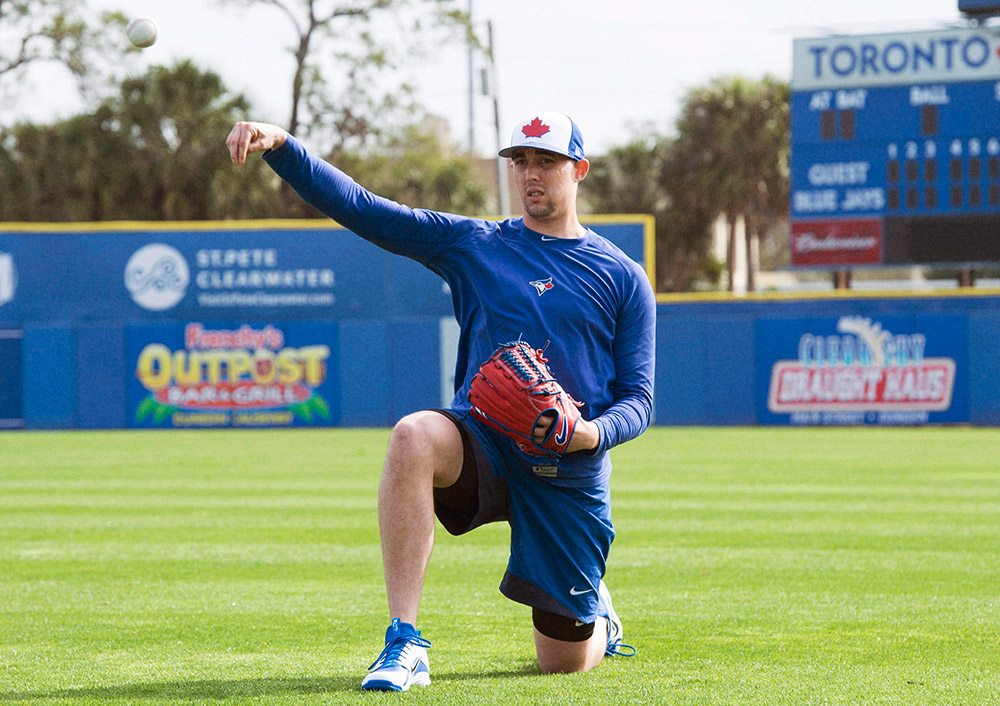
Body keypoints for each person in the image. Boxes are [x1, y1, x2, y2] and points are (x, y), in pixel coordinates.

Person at [226, 111, 656, 691]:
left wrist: (591, 433)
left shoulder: (623, 276)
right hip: (483, 440)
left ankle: (599, 617)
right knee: (413, 435)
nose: (531, 173)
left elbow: (639, 400)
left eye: (547, 161)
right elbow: (365, 209)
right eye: (521, 160)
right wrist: (282, 146)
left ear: (578, 170)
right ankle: (404, 641)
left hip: (567, 464)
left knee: (563, 663)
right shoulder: (476, 243)